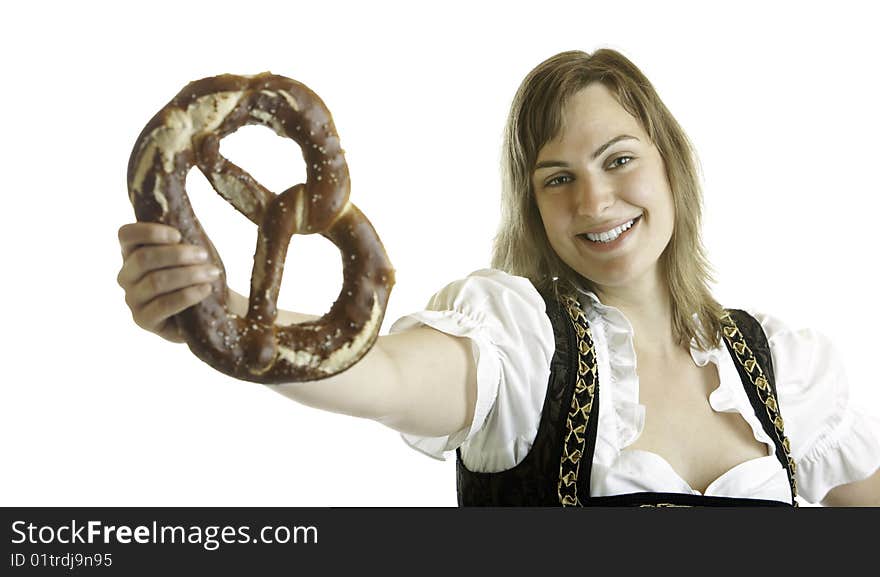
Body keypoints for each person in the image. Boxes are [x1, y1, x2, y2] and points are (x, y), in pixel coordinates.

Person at [117, 49, 880, 506]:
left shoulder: (783, 367)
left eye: (619, 159)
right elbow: (376, 371)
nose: (594, 200)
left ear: (670, 166)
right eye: (558, 178)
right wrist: (220, 305)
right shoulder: (521, 344)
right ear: (534, 208)